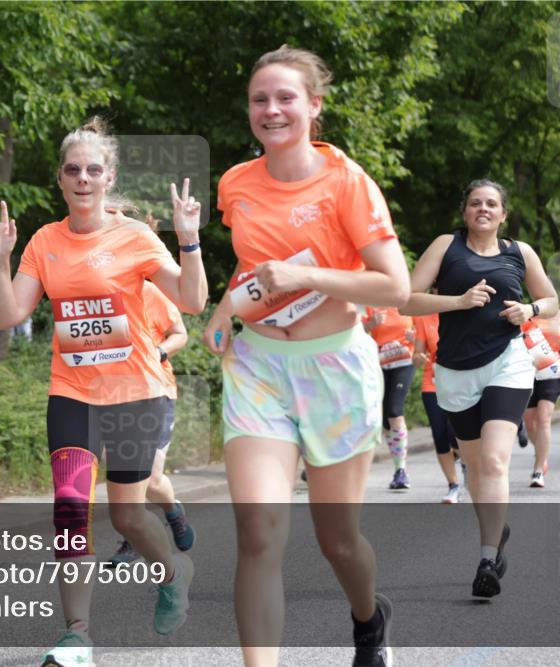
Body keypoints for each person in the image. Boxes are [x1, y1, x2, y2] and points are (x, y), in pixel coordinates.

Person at [203, 44, 407, 667]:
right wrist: (224, 311)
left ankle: (370, 621)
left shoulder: (347, 181)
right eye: (260, 99)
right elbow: (251, 261)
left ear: (314, 107)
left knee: (337, 541)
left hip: (334, 369)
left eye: (286, 97)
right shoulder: (236, 183)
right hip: (260, 368)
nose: (272, 109)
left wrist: (311, 279)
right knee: (258, 532)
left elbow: (393, 287)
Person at [0, 117, 208, 667]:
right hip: (73, 392)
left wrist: (188, 240)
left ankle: (175, 574)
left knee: (128, 517)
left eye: (93, 169)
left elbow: (192, 301)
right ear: (60, 180)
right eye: (72, 169)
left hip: (136, 393)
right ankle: (77, 635)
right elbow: (9, 314)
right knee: (68, 510)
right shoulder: (45, 241)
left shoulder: (133, 236)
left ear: (108, 179)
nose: (82, 178)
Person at [402, 178, 558, 598]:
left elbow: (551, 301)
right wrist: (457, 301)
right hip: (454, 371)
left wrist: (530, 309)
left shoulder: (519, 253)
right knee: (474, 469)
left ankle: (487, 558)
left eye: (492, 204)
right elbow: (406, 300)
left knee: (492, 462)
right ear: (465, 211)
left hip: (507, 363)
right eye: (476, 203)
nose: (483, 209)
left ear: (503, 214)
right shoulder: (445, 246)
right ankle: (496, 529)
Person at [107, 279, 196, 565]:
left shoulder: (148, 291)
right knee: (129, 474)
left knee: (152, 478)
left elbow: (179, 334)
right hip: (112, 395)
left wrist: (159, 352)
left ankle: (172, 511)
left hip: (155, 391)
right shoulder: (94, 292)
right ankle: (134, 538)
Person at [413, 308, 465, 503]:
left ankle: (467, 463)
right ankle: (453, 485)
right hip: (432, 382)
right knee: (440, 434)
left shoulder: (461, 311)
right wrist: (418, 357)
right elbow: (417, 354)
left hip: (460, 382)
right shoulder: (423, 317)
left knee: (456, 433)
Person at [363, 306, 416, 490]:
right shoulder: (370, 305)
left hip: (405, 362)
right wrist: (371, 324)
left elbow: (423, 333)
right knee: (385, 419)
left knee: (394, 411)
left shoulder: (405, 303)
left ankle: (401, 470)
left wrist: (416, 338)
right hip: (379, 366)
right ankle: (397, 468)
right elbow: (357, 333)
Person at [520, 309, 560, 486]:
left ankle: (538, 470)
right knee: (530, 424)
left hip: (553, 370)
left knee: (543, 418)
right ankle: (541, 454)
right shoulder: (525, 311)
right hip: (529, 371)